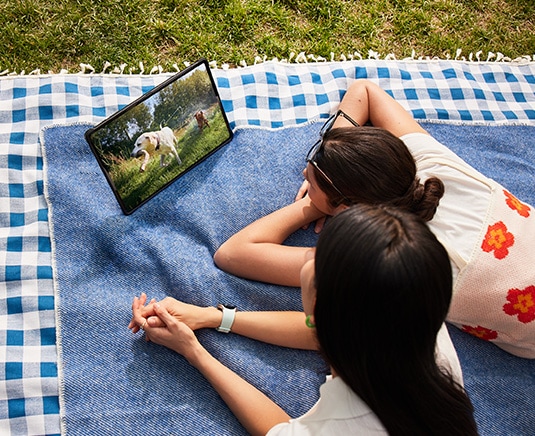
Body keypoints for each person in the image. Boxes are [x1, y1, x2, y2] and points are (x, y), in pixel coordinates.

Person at [212, 79, 535, 359]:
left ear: (349, 207)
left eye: (311, 180)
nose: (302, 174)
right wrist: (335, 155)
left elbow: (233, 255)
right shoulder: (433, 167)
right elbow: (366, 90)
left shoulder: (388, 258)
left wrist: (313, 205)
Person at [130, 204, 478, 435]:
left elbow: (278, 431)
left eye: (320, 260)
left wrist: (195, 352)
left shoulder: (341, 425)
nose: (309, 263)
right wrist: (214, 317)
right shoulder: (417, 319)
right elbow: (320, 331)